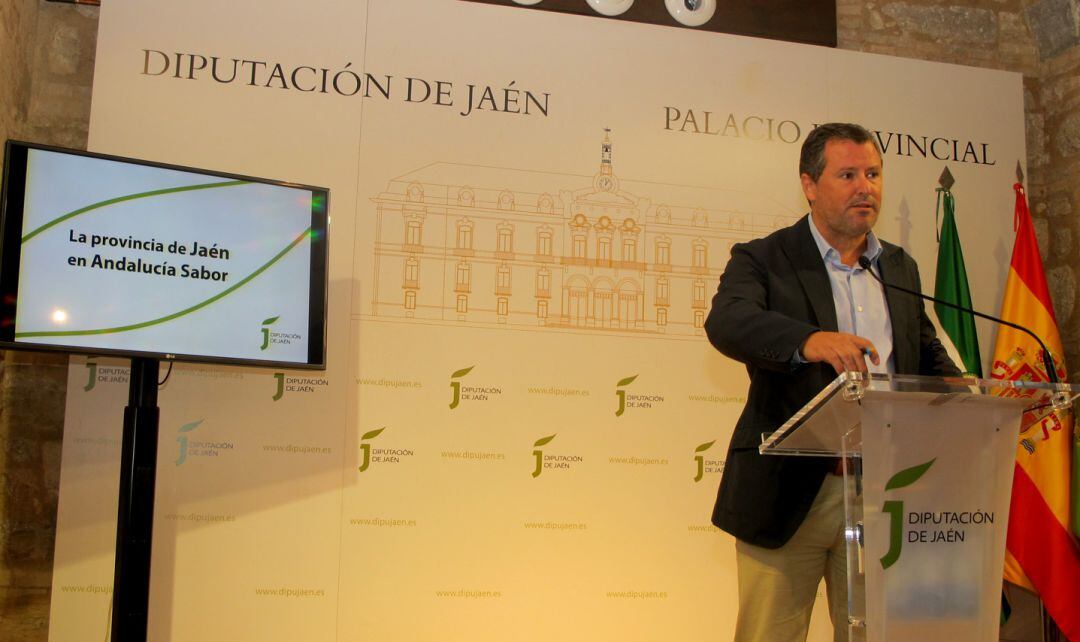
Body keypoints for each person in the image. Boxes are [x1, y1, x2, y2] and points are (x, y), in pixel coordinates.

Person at [704, 122, 960, 642]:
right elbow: (727, 322)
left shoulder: (898, 267)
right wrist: (809, 340)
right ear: (810, 184)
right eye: (847, 174)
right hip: (787, 493)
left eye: (873, 173)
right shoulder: (765, 259)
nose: (865, 186)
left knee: (874, 633)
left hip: (882, 491)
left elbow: (921, 347)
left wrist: (965, 391)